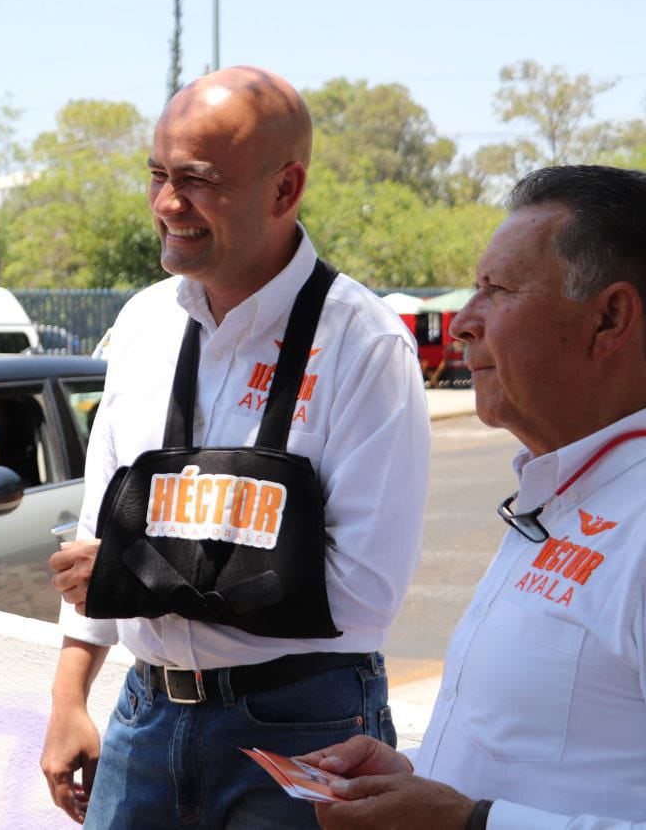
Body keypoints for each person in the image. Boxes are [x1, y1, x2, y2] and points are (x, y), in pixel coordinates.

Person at [41, 66, 430, 828]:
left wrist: (136, 568)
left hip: (304, 724)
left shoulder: (363, 343)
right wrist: (68, 696)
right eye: (157, 174)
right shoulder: (146, 325)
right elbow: (96, 538)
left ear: (285, 190)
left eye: (198, 180)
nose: (165, 204)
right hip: (145, 714)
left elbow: (358, 594)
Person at [301, 165, 646, 829]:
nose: (463, 322)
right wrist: (419, 778)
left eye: (497, 290)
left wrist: (469, 822)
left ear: (609, 317)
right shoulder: (564, 489)